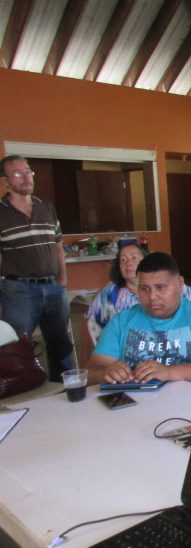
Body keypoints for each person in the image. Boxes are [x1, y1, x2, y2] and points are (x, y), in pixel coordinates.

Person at [88, 252, 191, 389]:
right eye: (144, 289)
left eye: (160, 287)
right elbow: (92, 372)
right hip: (133, 405)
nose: (152, 296)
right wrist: (107, 372)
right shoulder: (121, 321)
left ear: (180, 284)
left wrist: (168, 372)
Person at [0, 155, 74, 381]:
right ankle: (17, 391)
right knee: (15, 347)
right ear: (4, 181)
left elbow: (58, 245)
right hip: (18, 290)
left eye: (28, 171)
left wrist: (63, 278)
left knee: (60, 344)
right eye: (18, 173)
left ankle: (64, 389)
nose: (26, 177)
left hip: (53, 287)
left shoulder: (46, 207)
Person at [85, 242, 191, 332]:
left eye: (134, 258)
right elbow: (90, 323)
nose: (128, 263)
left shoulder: (171, 284)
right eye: (123, 260)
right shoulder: (111, 293)